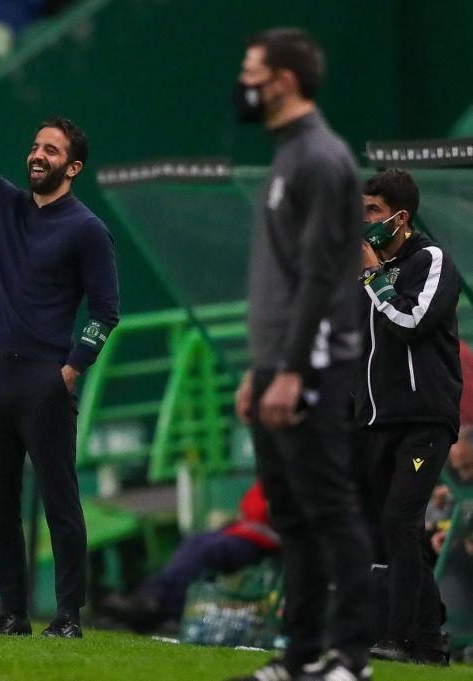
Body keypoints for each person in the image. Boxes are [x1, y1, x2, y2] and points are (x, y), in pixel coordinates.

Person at [0, 30, 120, 639]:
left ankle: (67, 615)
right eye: (36, 146)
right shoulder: (6, 205)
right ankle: (13, 610)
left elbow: (104, 311)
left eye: (51, 150)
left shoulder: (88, 230)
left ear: (74, 166)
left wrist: (69, 370)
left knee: (61, 504)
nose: (38, 155)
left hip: (44, 377)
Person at [228, 28, 373, 681]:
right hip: (276, 364)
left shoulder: (320, 158)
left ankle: (350, 657)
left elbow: (320, 274)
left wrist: (288, 371)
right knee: (289, 514)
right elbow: (282, 277)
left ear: (282, 81)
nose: (243, 83)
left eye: (251, 71)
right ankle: (299, 655)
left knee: (329, 508)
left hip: (308, 364)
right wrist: (256, 370)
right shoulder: (287, 155)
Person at [354, 168, 461, 665]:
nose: (364, 219)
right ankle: (429, 641)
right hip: (377, 420)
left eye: (373, 211)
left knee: (401, 520)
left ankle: (397, 637)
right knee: (397, 530)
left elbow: (414, 322)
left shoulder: (430, 259)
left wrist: (373, 276)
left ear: (401, 216)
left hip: (424, 419)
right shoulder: (364, 270)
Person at [101, 480, 278, 632]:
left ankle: (164, 608)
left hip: (262, 541)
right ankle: (149, 598)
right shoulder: (275, 470)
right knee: (195, 542)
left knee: (208, 550)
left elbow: (266, 513)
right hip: (242, 530)